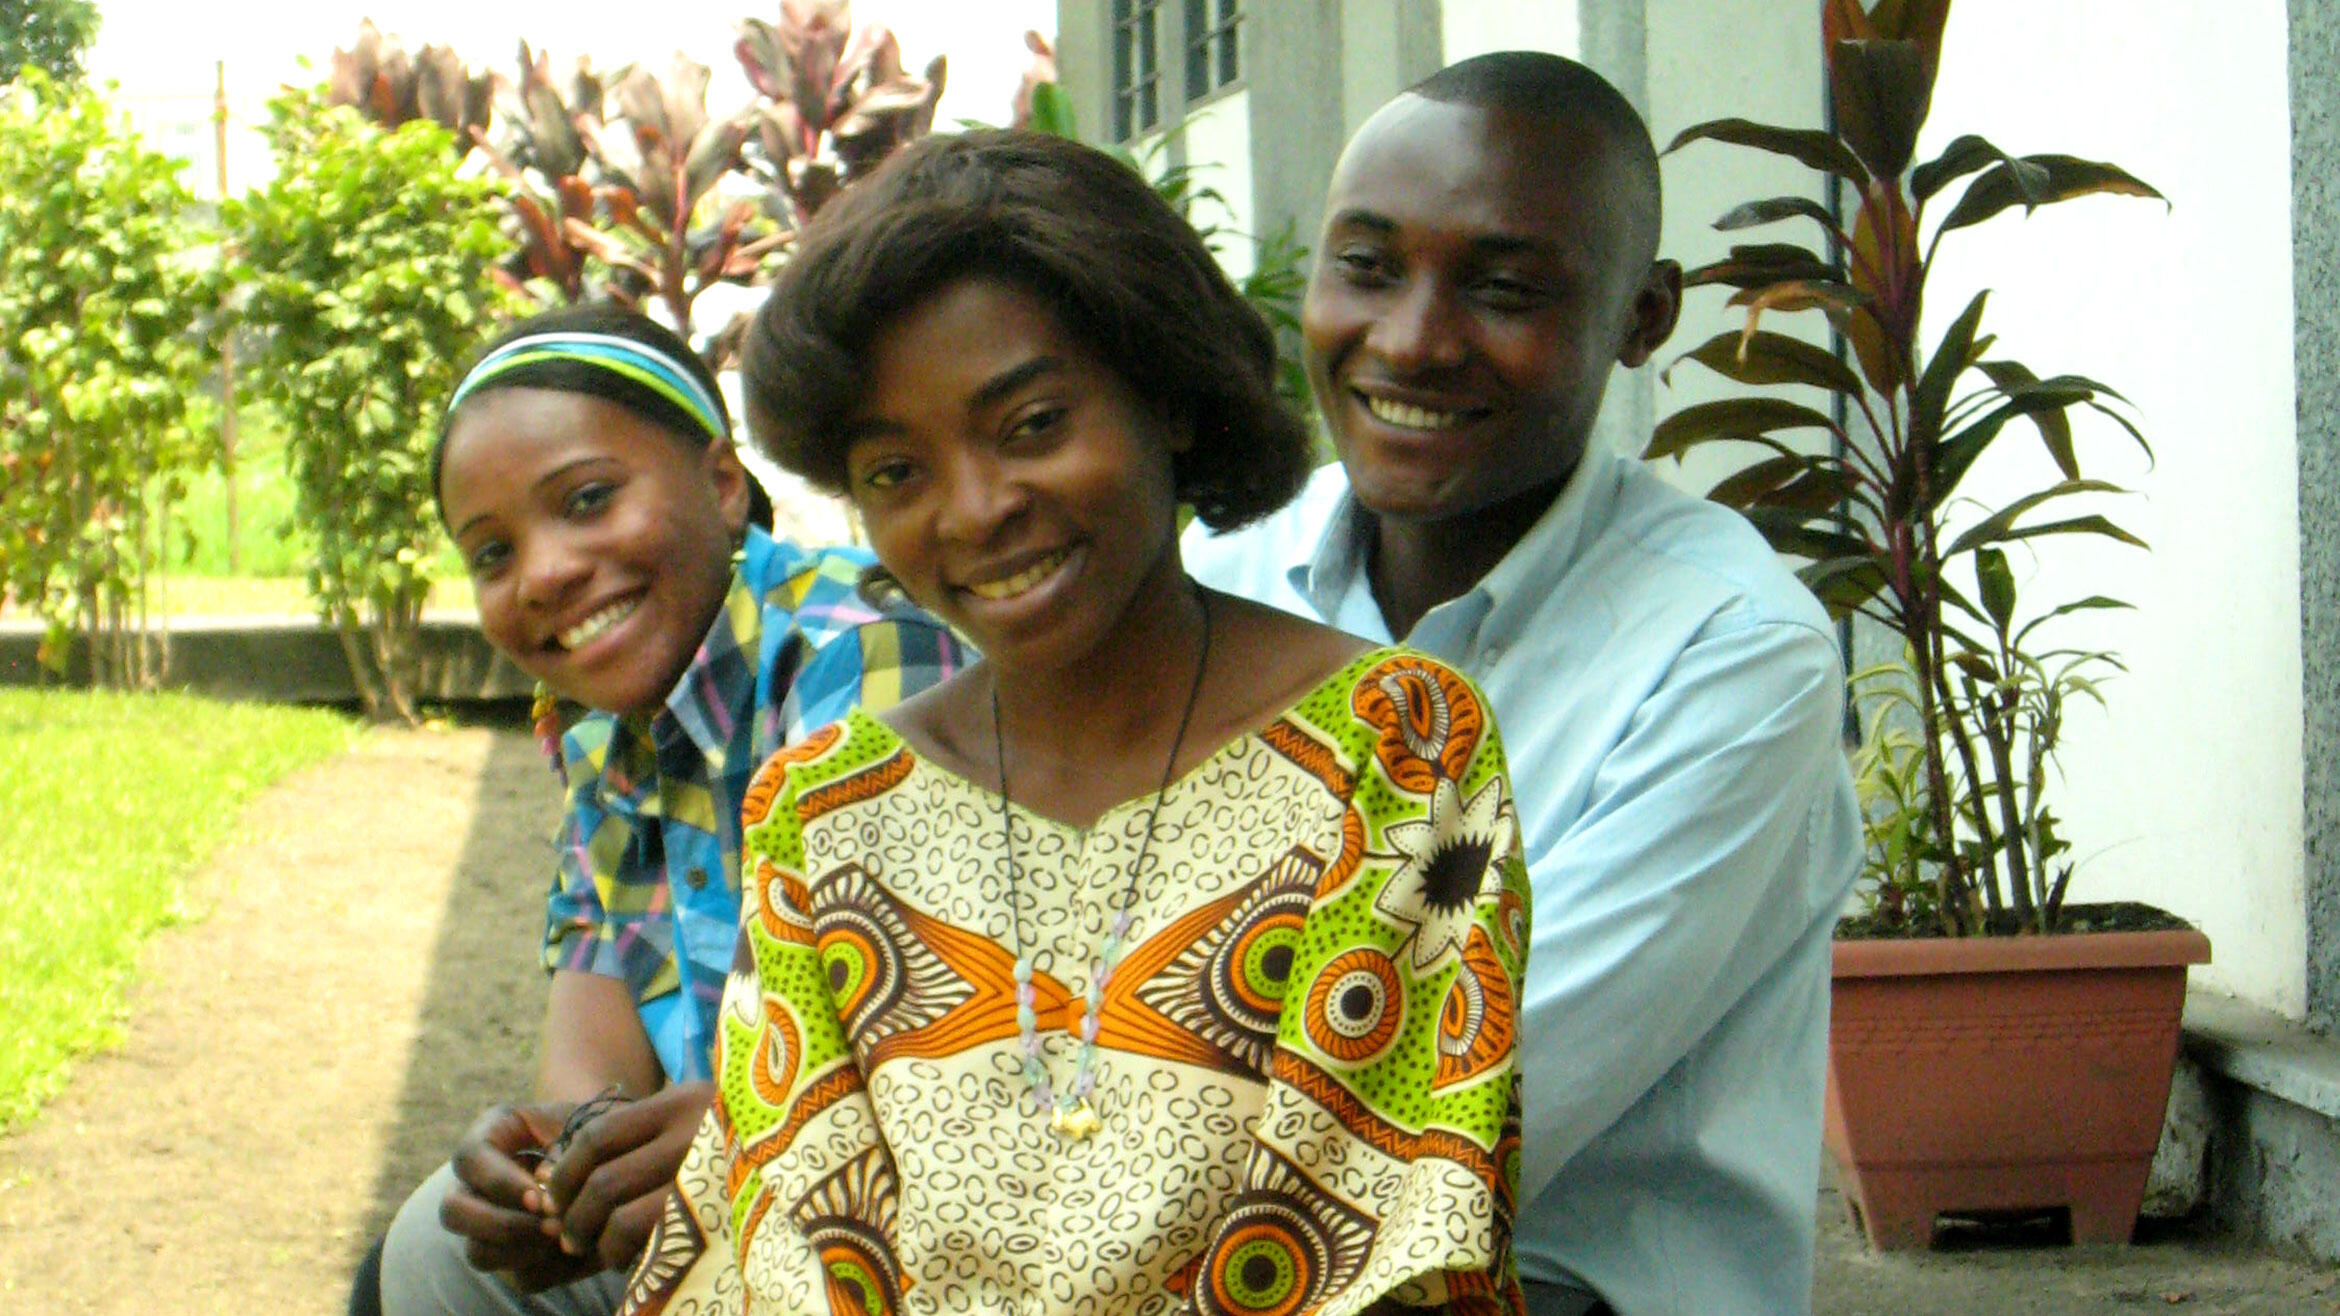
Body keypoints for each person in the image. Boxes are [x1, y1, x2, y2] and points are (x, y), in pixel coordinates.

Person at [612, 128, 1532, 1315]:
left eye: (1034, 423)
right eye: (897, 471)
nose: (977, 508)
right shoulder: (822, 816)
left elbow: (1386, 1232)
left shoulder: (1393, 750)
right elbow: (785, 1248)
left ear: (1170, 400)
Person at [1183, 52, 1863, 1316]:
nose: (1411, 341)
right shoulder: (1222, 576)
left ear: (1643, 316)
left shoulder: (1725, 648)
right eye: (1368, 268)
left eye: (1503, 290)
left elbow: (1459, 1119)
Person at [369, 306, 966, 1316]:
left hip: (917, 1197)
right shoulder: (601, 724)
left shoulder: (854, 655)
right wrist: (547, 1167)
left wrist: (734, 1144)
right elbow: (593, 1035)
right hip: (739, 1189)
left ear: (723, 483)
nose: (545, 571)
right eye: (491, 553)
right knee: (440, 1245)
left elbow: (907, 1060)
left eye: (588, 498)